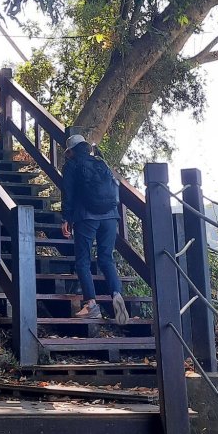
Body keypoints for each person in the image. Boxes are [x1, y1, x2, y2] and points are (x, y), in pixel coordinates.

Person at [61, 133, 128, 324]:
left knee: (83, 260)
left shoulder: (72, 165)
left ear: (70, 152)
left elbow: (68, 193)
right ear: (86, 148)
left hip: (86, 217)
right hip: (110, 216)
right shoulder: (100, 163)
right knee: (106, 258)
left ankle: (91, 304)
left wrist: (65, 218)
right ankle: (116, 294)